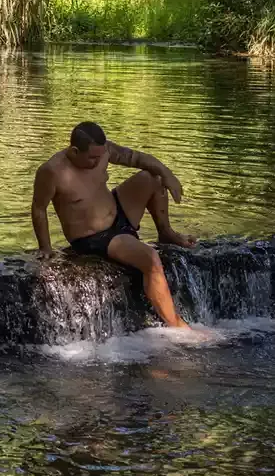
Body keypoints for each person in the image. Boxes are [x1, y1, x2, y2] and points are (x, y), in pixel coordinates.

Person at [30, 121, 198, 329]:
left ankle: (166, 232)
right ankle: (176, 324)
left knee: (153, 177)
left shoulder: (103, 152)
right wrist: (45, 247)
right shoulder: (52, 171)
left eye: (101, 156)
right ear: (74, 151)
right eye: (92, 157)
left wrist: (167, 173)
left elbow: (136, 158)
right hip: (95, 238)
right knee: (151, 259)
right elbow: (39, 208)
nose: (99, 160)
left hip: (119, 212)